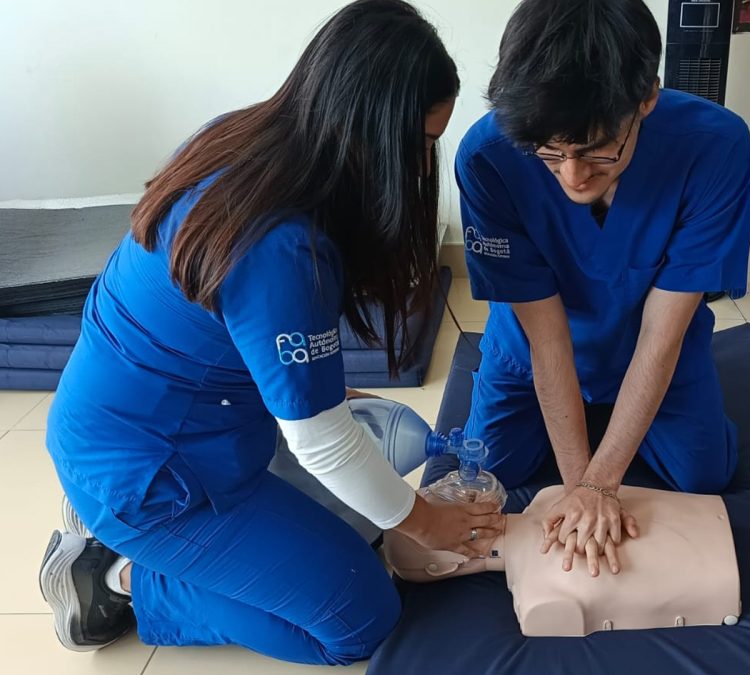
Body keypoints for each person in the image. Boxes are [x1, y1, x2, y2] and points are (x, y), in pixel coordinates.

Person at [38, 0, 500, 665]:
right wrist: (429, 523)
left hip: (149, 422)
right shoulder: (281, 247)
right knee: (362, 618)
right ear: (369, 131)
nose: (425, 170)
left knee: (367, 512)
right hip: (151, 478)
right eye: (423, 146)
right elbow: (322, 441)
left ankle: (130, 536)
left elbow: (267, 358)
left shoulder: (244, 138)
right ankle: (121, 576)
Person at [456, 0, 750, 578]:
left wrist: (602, 483)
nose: (573, 174)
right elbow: (545, 341)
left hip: (650, 342)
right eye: (551, 152)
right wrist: (581, 489)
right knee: (494, 470)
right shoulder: (490, 155)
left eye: (597, 149)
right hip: (530, 349)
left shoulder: (716, 147)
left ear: (646, 97)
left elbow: (661, 337)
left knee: (704, 477)